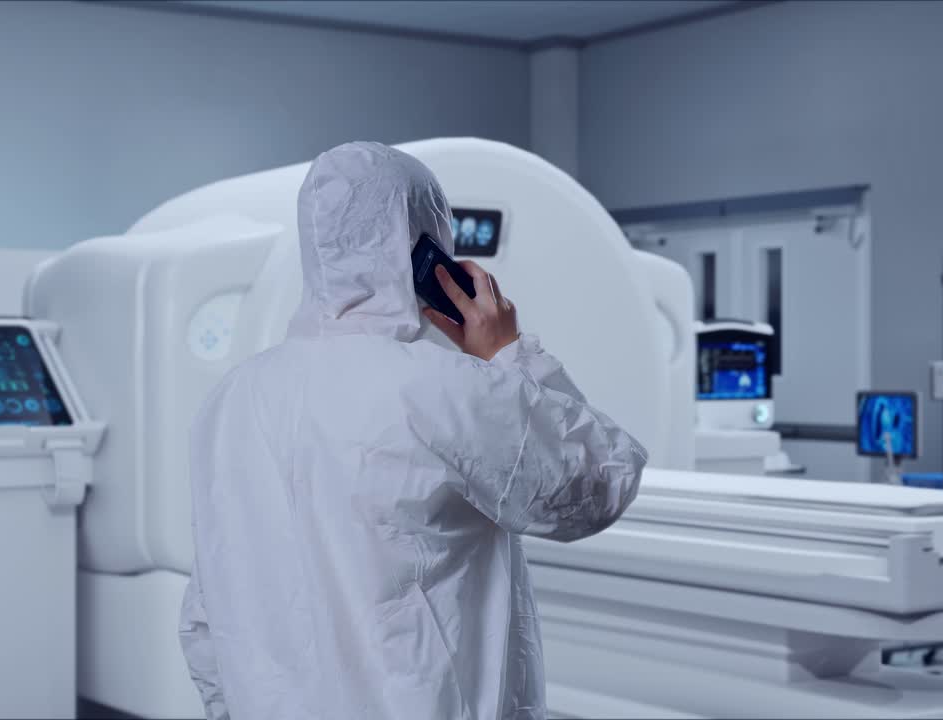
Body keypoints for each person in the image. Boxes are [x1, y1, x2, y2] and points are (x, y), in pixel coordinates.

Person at [179, 141, 647, 720]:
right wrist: (509, 355)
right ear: (425, 247)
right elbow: (599, 483)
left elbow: (205, 615)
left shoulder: (230, 402)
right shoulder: (440, 389)